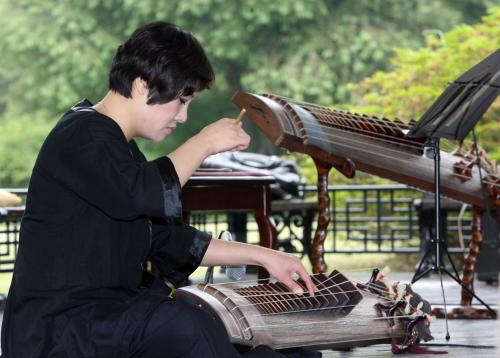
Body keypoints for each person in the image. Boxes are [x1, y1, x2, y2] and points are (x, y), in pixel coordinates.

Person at [1, 21, 317, 358]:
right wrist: (204, 143)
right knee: (183, 326)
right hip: (58, 330)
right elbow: (140, 192)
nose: (182, 117)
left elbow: (168, 240)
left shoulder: (117, 147)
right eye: (181, 101)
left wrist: (265, 256)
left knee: (237, 337)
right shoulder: (82, 135)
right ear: (142, 83)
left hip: (99, 321)